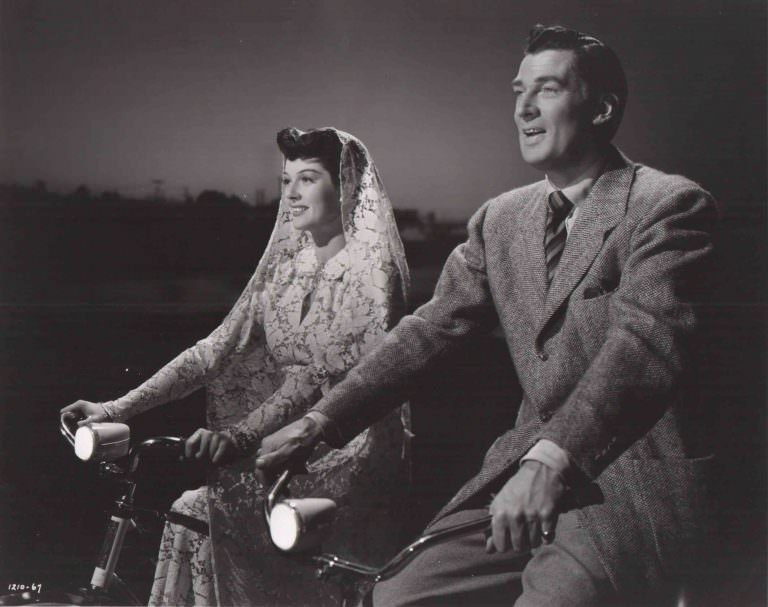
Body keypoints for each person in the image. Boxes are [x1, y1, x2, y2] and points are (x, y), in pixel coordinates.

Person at [256, 25, 718, 606]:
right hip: (517, 475)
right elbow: (429, 331)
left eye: (546, 89)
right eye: (518, 90)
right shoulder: (501, 218)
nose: (523, 107)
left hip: (627, 480)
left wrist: (552, 459)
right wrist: (321, 422)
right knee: (398, 596)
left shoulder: (668, 205)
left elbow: (645, 345)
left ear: (602, 108)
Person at [61, 127, 412, 606]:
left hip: (341, 451)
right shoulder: (286, 270)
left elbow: (319, 377)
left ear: (346, 186)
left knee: (206, 515)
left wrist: (239, 436)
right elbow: (214, 351)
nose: (290, 193)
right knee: (187, 511)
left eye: (307, 179)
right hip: (275, 445)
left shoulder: (372, 276)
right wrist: (115, 408)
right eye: (286, 179)